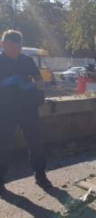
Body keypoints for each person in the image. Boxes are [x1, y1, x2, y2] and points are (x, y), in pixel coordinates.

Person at [0, 30, 52, 195]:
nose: (14, 51)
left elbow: (41, 82)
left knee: (35, 142)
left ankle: (40, 175)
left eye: (17, 47)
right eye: (10, 47)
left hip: (27, 108)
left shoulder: (27, 60)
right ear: (3, 44)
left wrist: (29, 84)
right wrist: (7, 83)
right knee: (2, 145)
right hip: (5, 109)